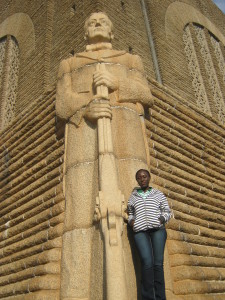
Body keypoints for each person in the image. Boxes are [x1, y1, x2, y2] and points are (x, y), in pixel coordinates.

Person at [56, 12, 153, 299]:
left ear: (112, 31)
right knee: (80, 212)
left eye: (103, 21)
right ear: (85, 32)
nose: (97, 23)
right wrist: (86, 106)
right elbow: (62, 105)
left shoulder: (130, 60)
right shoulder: (70, 64)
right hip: (82, 146)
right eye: (91, 22)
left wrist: (117, 84)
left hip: (130, 143)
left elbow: (146, 95)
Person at [127, 169, 172, 300]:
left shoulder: (158, 194)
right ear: (137, 180)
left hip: (158, 230)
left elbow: (167, 210)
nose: (142, 179)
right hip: (140, 231)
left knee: (158, 264)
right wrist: (132, 222)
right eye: (139, 178)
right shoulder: (133, 196)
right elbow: (130, 213)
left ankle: (160, 297)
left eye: (144, 176)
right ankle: (147, 297)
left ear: (149, 177)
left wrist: (161, 219)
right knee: (147, 262)